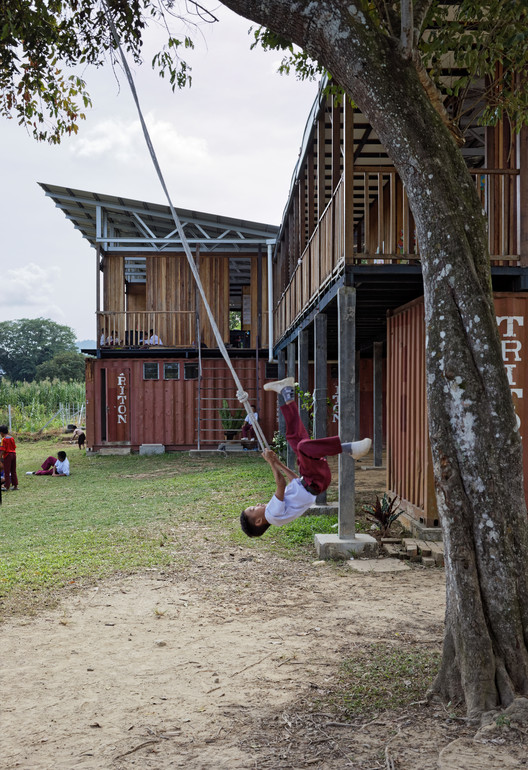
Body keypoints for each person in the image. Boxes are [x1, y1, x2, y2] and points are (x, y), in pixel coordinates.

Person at [240, 378, 371, 537]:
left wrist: (277, 462)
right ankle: (349, 449)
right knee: (303, 448)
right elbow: (280, 483)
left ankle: (286, 392)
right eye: (253, 509)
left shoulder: (275, 515)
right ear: (258, 521)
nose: (257, 504)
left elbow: (295, 480)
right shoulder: (271, 514)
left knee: (295, 439)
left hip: (310, 480)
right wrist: (271, 463)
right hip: (315, 481)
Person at [0, 425, 18, 491]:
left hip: (7, 455)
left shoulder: (4, 439)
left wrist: (0, 456)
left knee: (7, 471)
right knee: (13, 471)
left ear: (1, 432)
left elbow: (3, 449)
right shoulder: (12, 438)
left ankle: (7, 486)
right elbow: (14, 447)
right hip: (14, 454)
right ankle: (15, 485)